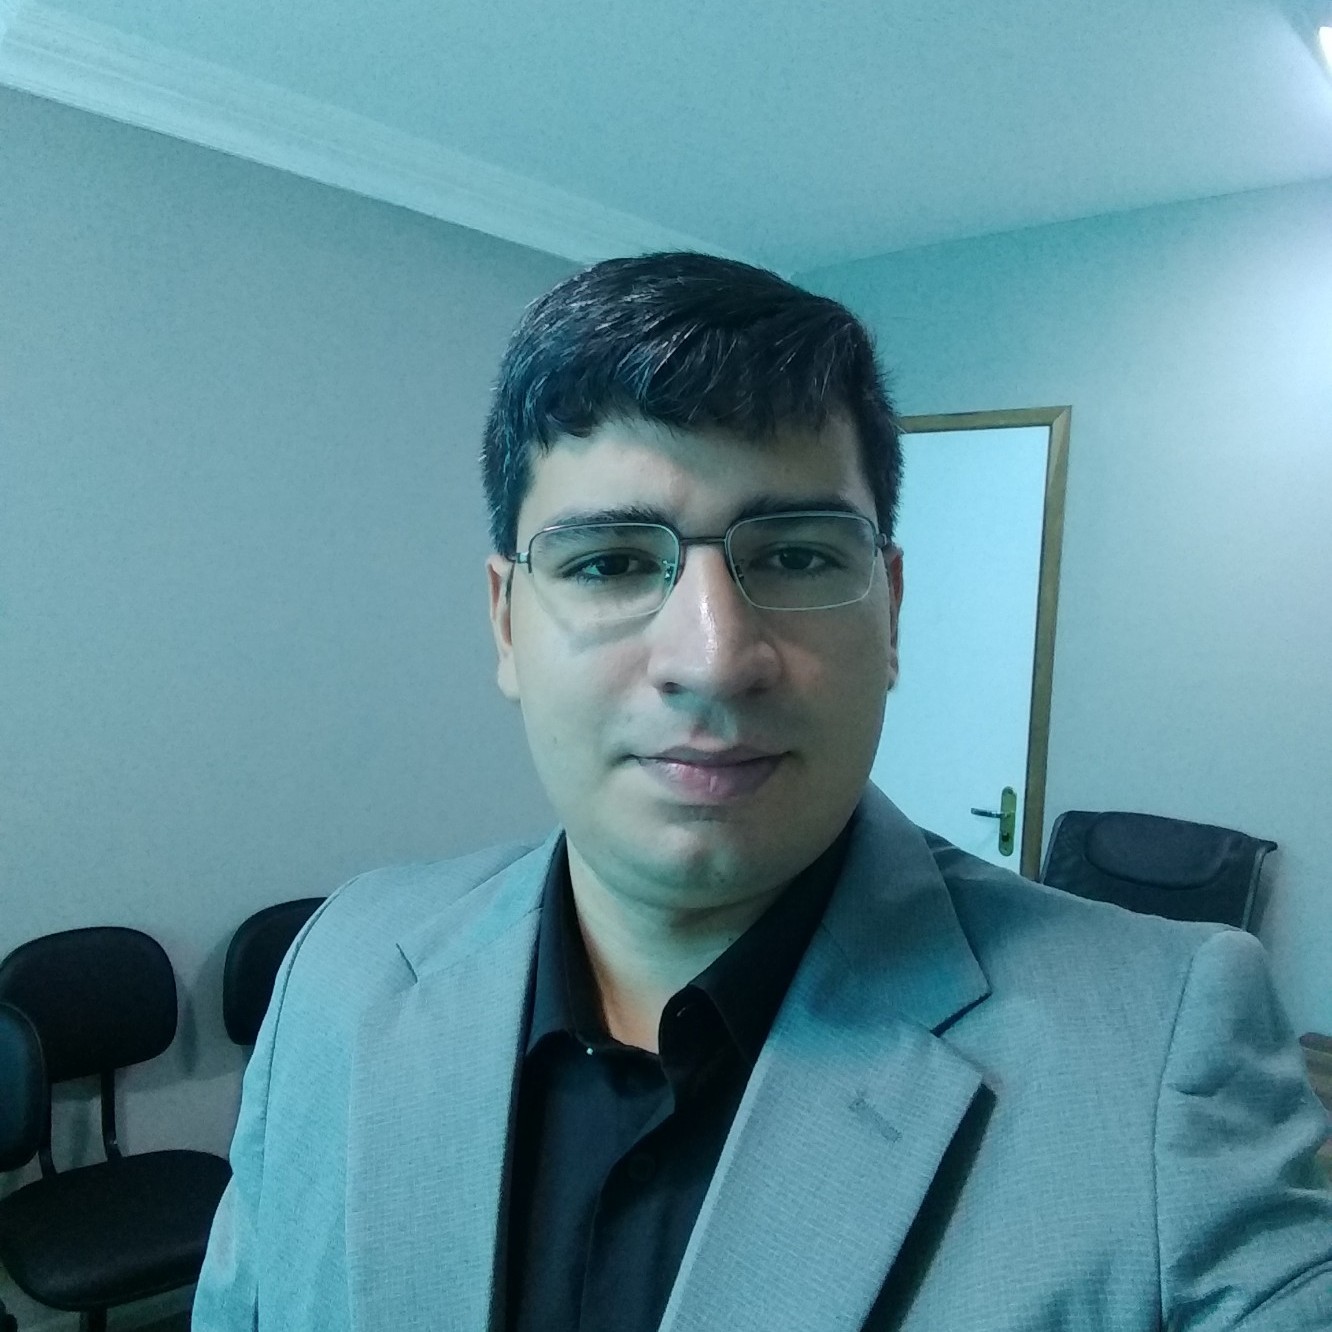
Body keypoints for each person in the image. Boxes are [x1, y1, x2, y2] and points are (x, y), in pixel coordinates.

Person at [193, 253, 1332, 1331]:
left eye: (796, 556)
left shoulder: (1164, 1054)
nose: (714, 658)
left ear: (889, 608)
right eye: (609, 562)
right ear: (506, 624)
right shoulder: (341, 970)